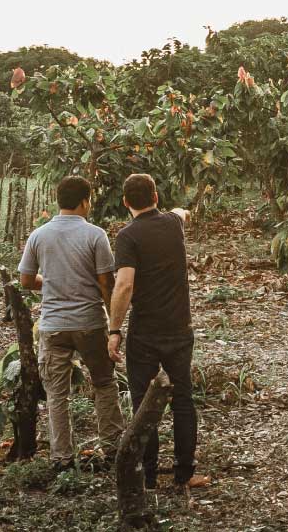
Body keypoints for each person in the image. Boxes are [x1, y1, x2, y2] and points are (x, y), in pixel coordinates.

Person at [105, 173, 209, 489]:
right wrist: (181, 212)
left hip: (145, 332)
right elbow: (181, 213)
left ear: (125, 202)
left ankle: (147, 476)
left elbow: (124, 285)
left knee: (142, 402)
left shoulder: (128, 236)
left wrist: (114, 329)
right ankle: (184, 474)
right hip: (179, 327)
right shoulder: (173, 224)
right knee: (183, 401)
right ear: (156, 197)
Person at [16, 175, 122, 463]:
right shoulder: (95, 235)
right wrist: (115, 325)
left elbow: (25, 280)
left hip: (53, 327)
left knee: (56, 394)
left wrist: (51, 281)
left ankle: (61, 457)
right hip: (89, 323)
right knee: (104, 383)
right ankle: (112, 449)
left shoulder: (39, 235)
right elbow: (105, 283)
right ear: (85, 201)